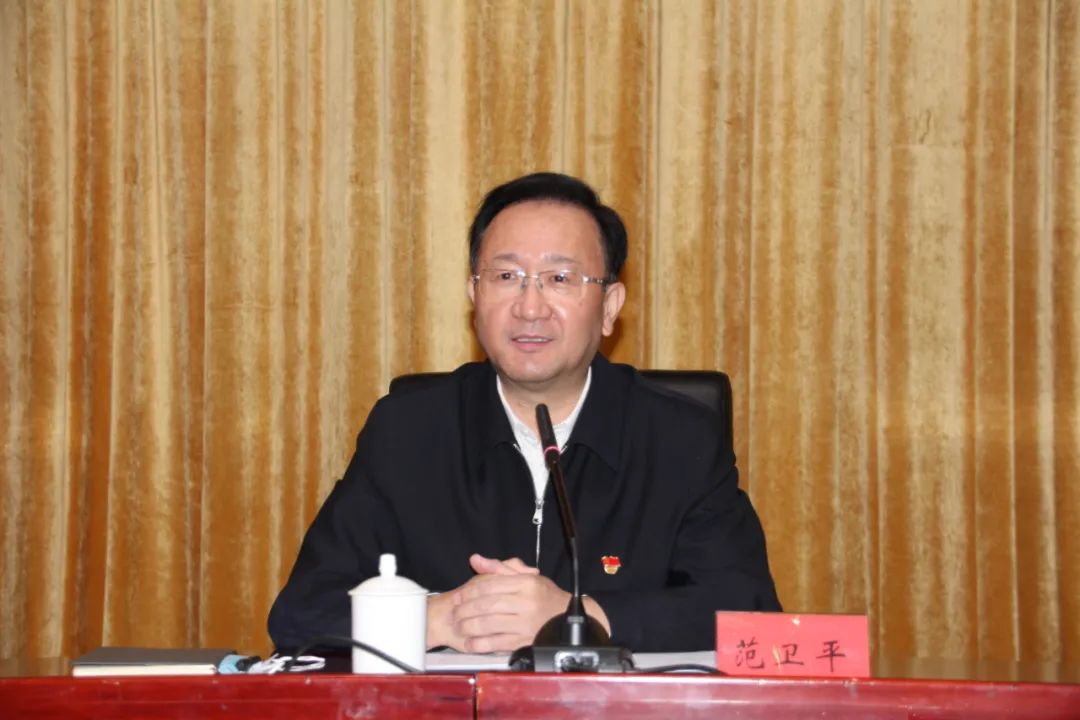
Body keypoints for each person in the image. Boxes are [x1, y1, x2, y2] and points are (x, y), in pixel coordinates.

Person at [267, 172, 780, 654]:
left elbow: (750, 612)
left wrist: (578, 616)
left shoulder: (679, 439)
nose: (530, 307)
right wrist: (444, 619)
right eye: (507, 276)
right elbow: (300, 612)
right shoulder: (408, 432)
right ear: (475, 295)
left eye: (560, 278)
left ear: (609, 307)